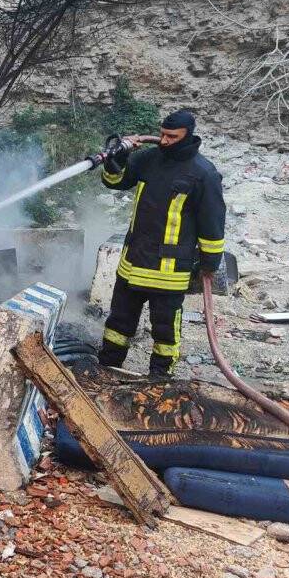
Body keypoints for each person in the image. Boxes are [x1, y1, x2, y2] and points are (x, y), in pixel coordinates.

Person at [97, 110, 226, 377]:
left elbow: (212, 223)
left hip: (168, 272)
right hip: (132, 263)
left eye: (172, 136)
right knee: (118, 324)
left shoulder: (203, 174)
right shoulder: (149, 159)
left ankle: (159, 380)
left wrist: (209, 262)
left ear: (188, 136)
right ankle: (106, 371)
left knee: (165, 331)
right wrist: (116, 160)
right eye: (162, 134)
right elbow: (117, 182)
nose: (164, 141)